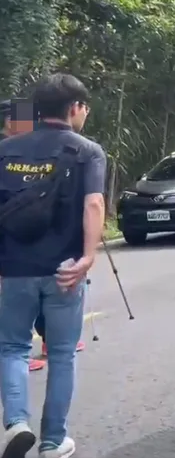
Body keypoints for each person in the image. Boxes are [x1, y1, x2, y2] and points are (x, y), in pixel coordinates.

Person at [0, 73, 106, 458]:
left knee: (11, 347)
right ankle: (52, 442)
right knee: (61, 353)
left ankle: (16, 422)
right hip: (66, 270)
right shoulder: (87, 151)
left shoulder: (6, 149)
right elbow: (94, 204)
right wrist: (88, 257)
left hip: (14, 269)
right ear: (74, 108)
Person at [1, 100, 87, 373]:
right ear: (10, 122)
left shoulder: (26, 149)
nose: (31, 126)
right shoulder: (8, 152)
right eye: (25, 119)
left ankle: (47, 339)